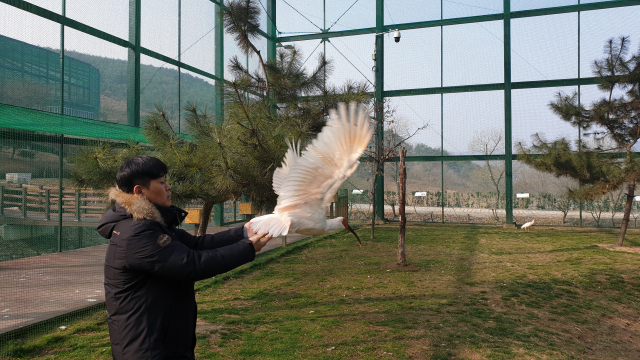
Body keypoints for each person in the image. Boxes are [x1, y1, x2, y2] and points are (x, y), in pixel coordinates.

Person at [97, 155, 272, 360]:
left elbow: (196, 245)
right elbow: (191, 264)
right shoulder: (137, 233)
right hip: (147, 348)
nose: (168, 187)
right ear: (139, 191)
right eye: (161, 183)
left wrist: (243, 232)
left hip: (161, 339)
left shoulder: (149, 224)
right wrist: (247, 248)